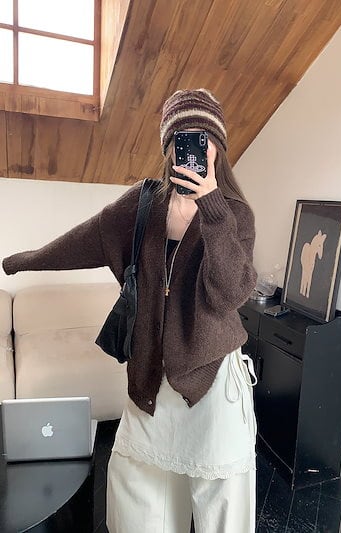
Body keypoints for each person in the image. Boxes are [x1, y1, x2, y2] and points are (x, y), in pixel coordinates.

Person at [2, 88, 258, 533]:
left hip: (212, 382)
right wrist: (27, 260)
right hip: (150, 379)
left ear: (217, 147)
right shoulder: (143, 205)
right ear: (168, 147)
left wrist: (213, 209)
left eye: (202, 140)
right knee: (138, 500)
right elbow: (87, 238)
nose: (192, 150)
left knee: (220, 508)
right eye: (181, 139)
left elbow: (228, 295)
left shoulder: (234, 214)